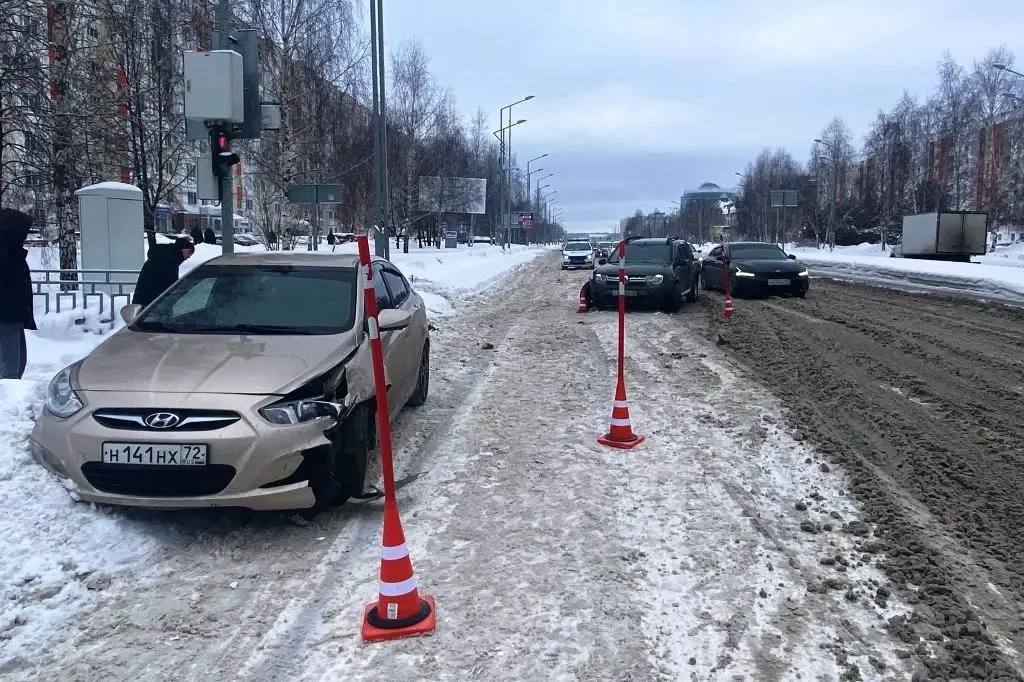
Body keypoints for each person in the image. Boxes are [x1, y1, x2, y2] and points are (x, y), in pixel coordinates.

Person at [0, 208, 37, 379]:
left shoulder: (13, 251)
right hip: (6, 316)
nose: (25, 237)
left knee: (18, 361)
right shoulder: (5, 253)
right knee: (11, 365)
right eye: (24, 232)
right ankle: (8, 390)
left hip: (14, 316)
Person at [132, 238, 195, 308]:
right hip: (150, 305)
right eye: (189, 252)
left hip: (143, 300)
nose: (189, 256)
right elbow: (170, 286)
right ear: (182, 249)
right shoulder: (170, 260)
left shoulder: (164, 254)